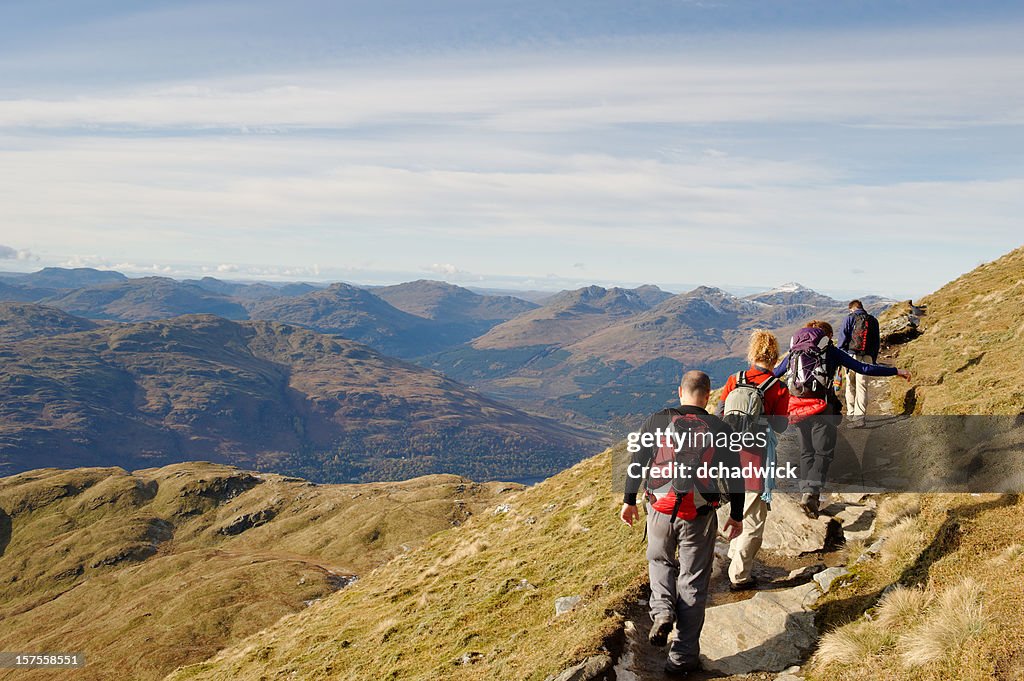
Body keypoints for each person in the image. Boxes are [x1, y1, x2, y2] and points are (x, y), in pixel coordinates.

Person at [620, 370, 745, 677]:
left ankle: (662, 611)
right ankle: (682, 658)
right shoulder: (719, 427)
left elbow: (638, 461)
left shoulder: (658, 420)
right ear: (709, 395)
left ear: (680, 392)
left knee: (659, 561)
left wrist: (628, 500)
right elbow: (735, 476)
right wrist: (737, 515)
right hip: (699, 516)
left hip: (660, 509)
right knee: (692, 582)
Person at [774, 320, 910, 518]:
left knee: (806, 452)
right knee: (824, 453)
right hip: (822, 407)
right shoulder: (830, 351)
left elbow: (776, 374)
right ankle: (811, 493)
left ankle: (808, 493)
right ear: (827, 336)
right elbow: (863, 368)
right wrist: (895, 371)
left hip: (797, 407)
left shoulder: (796, 351)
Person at [716, 330, 790, 591]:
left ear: (752, 352)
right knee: (754, 523)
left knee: (739, 509)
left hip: (728, 458)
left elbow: (719, 414)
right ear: (775, 356)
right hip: (756, 461)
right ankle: (739, 576)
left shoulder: (733, 379)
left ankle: (732, 554)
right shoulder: (778, 388)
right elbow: (780, 426)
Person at [836, 300, 881, 427]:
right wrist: (873, 359)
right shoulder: (873, 320)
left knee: (850, 385)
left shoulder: (849, 318)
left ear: (852, 309)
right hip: (867, 357)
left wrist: (839, 357)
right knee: (862, 386)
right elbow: (876, 342)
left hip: (850, 356)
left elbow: (842, 339)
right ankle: (859, 417)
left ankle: (850, 413)